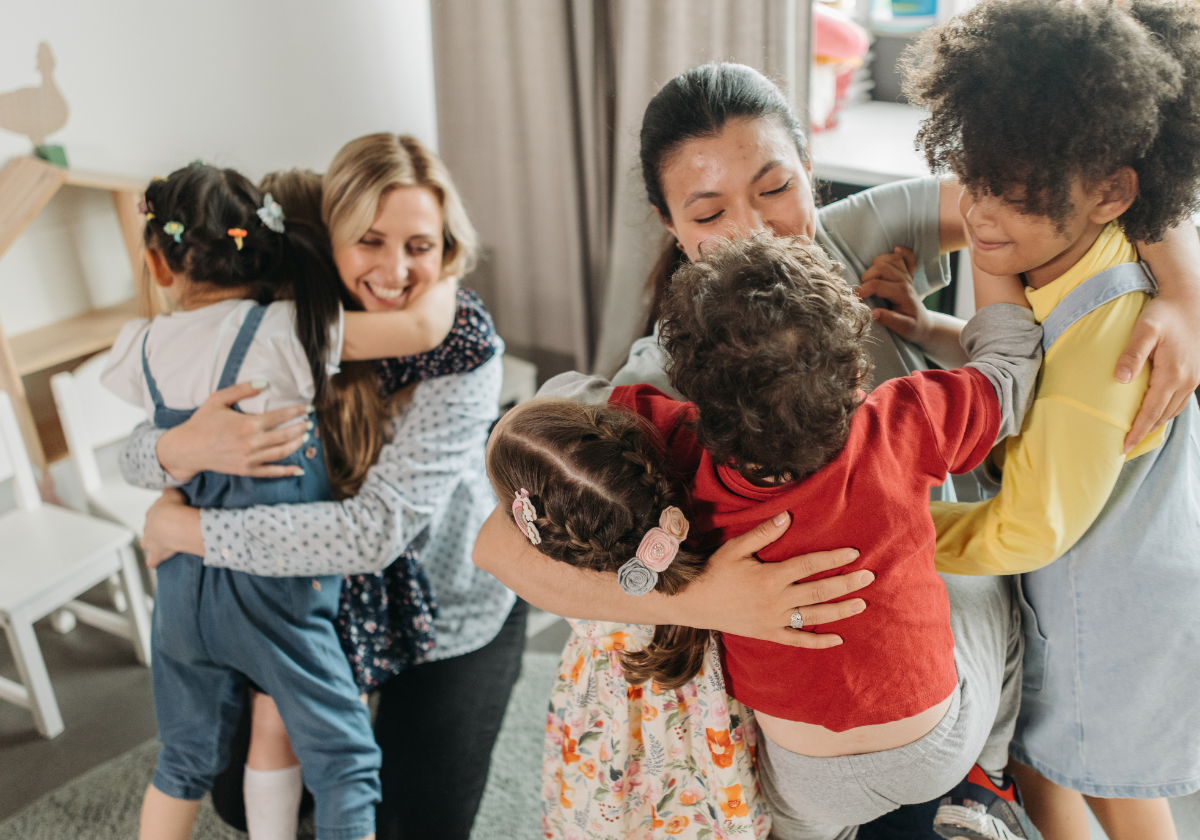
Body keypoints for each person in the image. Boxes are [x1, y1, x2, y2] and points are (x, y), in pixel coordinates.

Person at [472, 61, 1200, 839]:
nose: (753, 228)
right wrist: (705, 598)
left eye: (775, 188)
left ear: (811, 175)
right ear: (670, 224)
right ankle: (980, 779)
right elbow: (497, 547)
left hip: (906, 676)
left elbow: (1050, 184)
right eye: (710, 210)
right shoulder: (666, 369)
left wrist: (1186, 287)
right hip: (844, 707)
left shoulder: (856, 235)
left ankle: (983, 783)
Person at [489, 232, 1045, 839]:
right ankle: (986, 781)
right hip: (930, 745)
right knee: (991, 583)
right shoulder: (904, 419)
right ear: (855, 365)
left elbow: (551, 407)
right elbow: (1010, 369)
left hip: (798, 768)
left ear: (694, 390)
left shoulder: (673, 446)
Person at [125, 134, 523, 840]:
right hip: (305, 594)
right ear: (328, 243)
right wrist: (175, 450)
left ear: (446, 248)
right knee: (236, 789)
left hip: (447, 603)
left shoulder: (458, 343)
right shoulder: (280, 326)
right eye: (368, 241)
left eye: (420, 246)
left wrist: (188, 530)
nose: (395, 269)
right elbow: (134, 450)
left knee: (416, 822)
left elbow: (373, 530)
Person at [900, 1, 1200, 838]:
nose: (980, 216)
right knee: (1039, 764)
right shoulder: (1065, 254)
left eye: (1016, 197)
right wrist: (931, 330)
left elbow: (1028, 529)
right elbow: (1026, 362)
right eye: (974, 180)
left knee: (1116, 788)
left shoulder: (1114, 342)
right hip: (1098, 580)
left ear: (1112, 193)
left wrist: (898, 523)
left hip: (1112, 605)